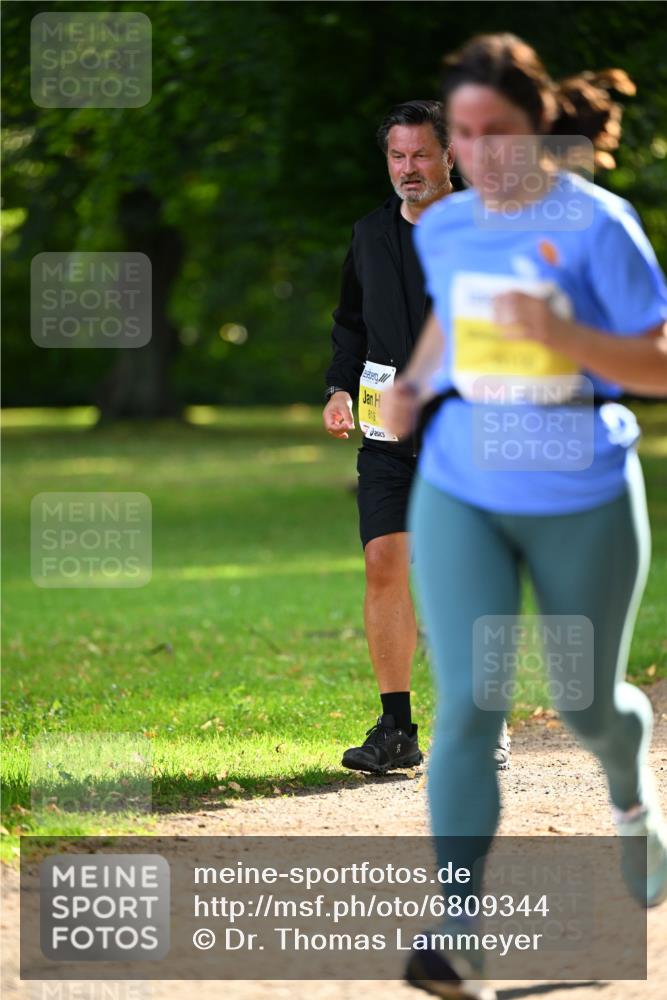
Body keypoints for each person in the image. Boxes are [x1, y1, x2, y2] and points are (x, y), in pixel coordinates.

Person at [381, 33, 667, 1000]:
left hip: (579, 488)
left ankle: (629, 800)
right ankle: (455, 934)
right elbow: (449, 326)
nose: (476, 156)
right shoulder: (446, 228)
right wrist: (414, 386)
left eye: (494, 133)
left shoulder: (598, 223)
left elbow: (657, 366)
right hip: (462, 482)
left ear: (539, 127)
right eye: (460, 137)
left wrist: (564, 336)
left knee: (587, 706)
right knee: (467, 704)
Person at [323, 101, 512, 774]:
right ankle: (396, 727)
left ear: (450, 157)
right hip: (386, 431)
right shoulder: (370, 233)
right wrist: (337, 387)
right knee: (383, 563)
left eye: (420, 155)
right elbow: (350, 322)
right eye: (396, 156)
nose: (408, 168)